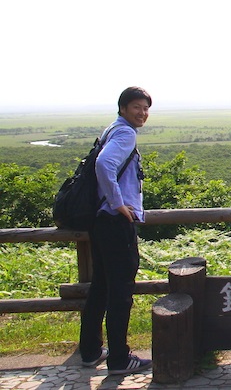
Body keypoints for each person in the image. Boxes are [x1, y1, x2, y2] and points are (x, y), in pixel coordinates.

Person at [79, 87, 153, 375]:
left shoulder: (112, 129)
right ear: (122, 108)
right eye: (136, 107)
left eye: (146, 108)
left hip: (99, 222)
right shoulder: (125, 133)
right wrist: (119, 204)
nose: (142, 113)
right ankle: (120, 360)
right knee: (120, 292)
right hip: (114, 223)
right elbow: (104, 164)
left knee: (100, 287)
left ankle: (90, 351)